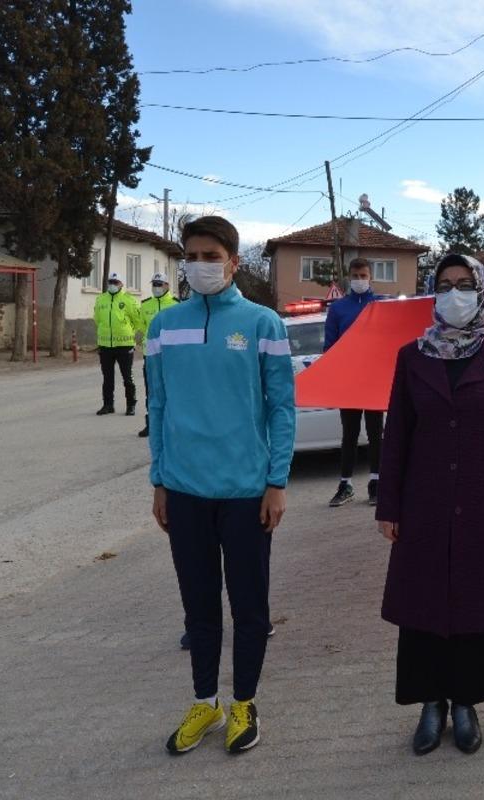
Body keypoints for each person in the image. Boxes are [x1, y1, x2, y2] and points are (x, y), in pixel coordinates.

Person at [376, 253, 484, 756]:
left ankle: (467, 702)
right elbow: (397, 437)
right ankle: (431, 703)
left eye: (465, 284)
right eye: (445, 284)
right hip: (424, 504)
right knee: (425, 604)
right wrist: (389, 506)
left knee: (479, 604)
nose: (455, 294)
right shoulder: (412, 357)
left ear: (483, 290)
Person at [147, 216, 295, 756]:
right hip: (185, 492)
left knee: (250, 607)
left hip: (246, 492)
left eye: (212, 255)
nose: (200, 264)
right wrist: (159, 480)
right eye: (192, 255)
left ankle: (244, 704)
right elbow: (158, 406)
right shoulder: (163, 327)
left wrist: (276, 482)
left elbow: (281, 407)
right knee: (199, 606)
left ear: (234, 260)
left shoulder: (262, 324)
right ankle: (205, 702)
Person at [324, 257, 385, 507]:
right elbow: (329, 346)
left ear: (371, 277)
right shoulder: (338, 308)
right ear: (348, 277)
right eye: (355, 276)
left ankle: (376, 483)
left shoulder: (383, 305)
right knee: (349, 434)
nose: (360, 280)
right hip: (349, 381)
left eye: (364, 276)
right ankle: (345, 484)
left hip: (373, 380)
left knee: (375, 434)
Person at [93, 272, 144, 416]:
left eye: (116, 282)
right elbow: (97, 319)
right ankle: (108, 405)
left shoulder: (128, 300)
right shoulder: (101, 299)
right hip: (105, 345)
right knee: (107, 377)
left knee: (127, 377)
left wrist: (127, 332)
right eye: (110, 282)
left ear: (121, 284)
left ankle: (131, 405)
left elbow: (137, 321)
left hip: (124, 345)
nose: (112, 284)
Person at [138, 273, 178, 438]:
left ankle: (173, 425)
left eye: (159, 284)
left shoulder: (176, 305)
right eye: (154, 284)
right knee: (152, 391)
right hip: (151, 356)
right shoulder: (146, 305)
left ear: (167, 286)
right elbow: (142, 326)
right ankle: (151, 424)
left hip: (172, 356)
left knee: (173, 390)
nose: (156, 287)